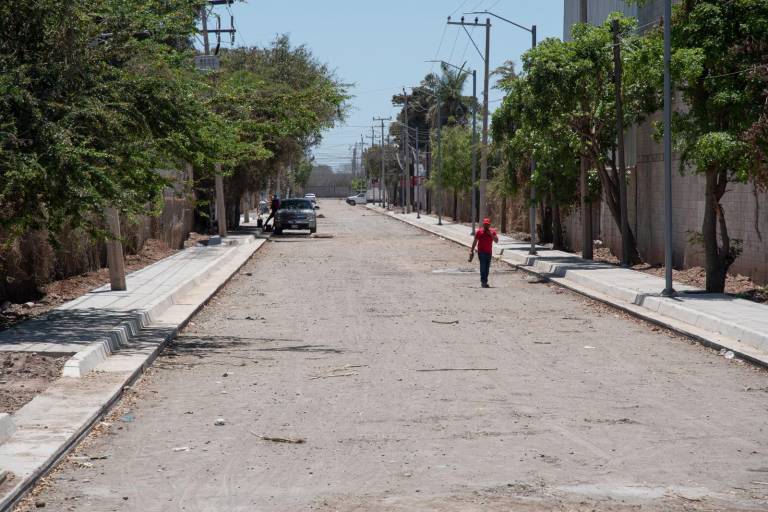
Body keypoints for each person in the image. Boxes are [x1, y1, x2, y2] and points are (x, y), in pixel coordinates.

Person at [469, 218, 499, 288]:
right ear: (483, 224)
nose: (486, 226)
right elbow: (475, 241)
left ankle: (485, 281)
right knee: (483, 266)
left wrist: (491, 234)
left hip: (489, 252)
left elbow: (496, 241)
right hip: (481, 252)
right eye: (485, 224)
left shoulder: (493, 232)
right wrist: (471, 250)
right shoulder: (479, 231)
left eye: (487, 225)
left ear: (489, 225)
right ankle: (483, 281)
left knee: (487, 268)